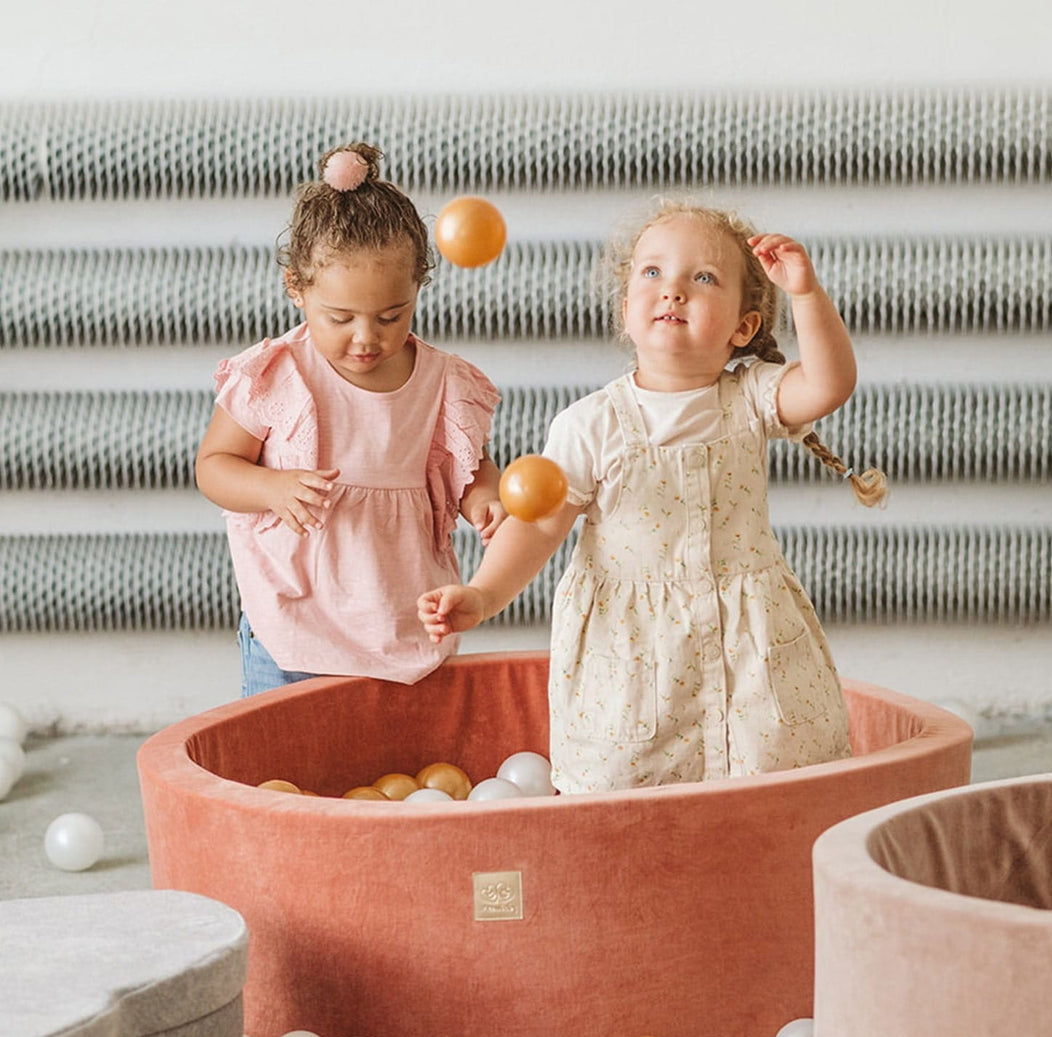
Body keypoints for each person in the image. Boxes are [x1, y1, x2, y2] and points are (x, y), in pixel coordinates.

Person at [418, 199, 887, 793]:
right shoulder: (591, 425)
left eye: (704, 278)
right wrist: (484, 594)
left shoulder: (751, 397)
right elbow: (538, 525)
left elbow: (828, 383)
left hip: (748, 645)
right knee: (628, 791)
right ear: (626, 312)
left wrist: (806, 294)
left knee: (771, 781)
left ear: (742, 327)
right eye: (652, 273)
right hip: (635, 656)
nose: (673, 291)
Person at [196, 142, 505, 696]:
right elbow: (214, 467)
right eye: (339, 318)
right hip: (292, 623)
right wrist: (270, 486)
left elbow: (470, 466)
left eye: (392, 315)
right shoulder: (278, 375)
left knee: (390, 771)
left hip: (399, 613)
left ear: (418, 288)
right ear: (297, 288)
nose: (367, 338)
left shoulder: (441, 382)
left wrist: (485, 500)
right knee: (283, 769)